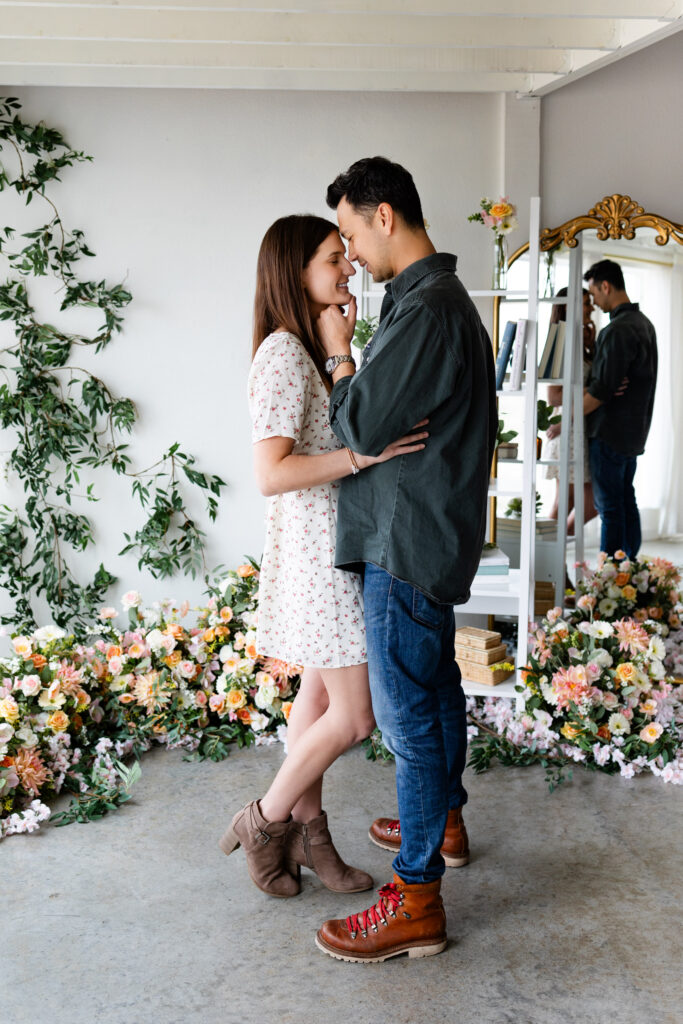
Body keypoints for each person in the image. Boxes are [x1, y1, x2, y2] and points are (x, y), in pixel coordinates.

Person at [313, 157, 497, 963]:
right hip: (419, 534)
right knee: (436, 692)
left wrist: (339, 352)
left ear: (383, 215)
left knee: (409, 724)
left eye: (350, 233)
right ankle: (444, 821)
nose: (348, 253)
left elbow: (358, 427)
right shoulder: (429, 302)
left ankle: (416, 898)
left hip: (406, 541)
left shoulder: (425, 310)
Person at [219, 215, 428, 899]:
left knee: (315, 699)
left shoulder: (311, 345)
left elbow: (345, 416)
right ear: (293, 271)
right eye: (332, 259)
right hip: (316, 555)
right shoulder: (281, 354)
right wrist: (359, 455)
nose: (347, 269)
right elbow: (270, 473)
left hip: (335, 545)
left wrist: (342, 348)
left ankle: (312, 842)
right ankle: (265, 820)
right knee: (356, 717)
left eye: (345, 256)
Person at [583, 259, 657, 560]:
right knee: (626, 501)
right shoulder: (645, 325)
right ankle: (631, 570)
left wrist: (571, 413)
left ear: (605, 285)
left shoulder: (617, 330)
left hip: (609, 432)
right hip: (634, 431)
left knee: (610, 508)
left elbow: (600, 391)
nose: (595, 302)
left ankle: (609, 579)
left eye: (594, 294)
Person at [544, 286, 598, 535]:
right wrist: (597, 387)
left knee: (589, 502)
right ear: (570, 306)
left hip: (581, 428)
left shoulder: (580, 338)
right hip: (566, 429)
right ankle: (548, 565)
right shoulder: (558, 339)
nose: (591, 308)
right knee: (567, 502)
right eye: (586, 303)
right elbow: (553, 396)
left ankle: (553, 565)